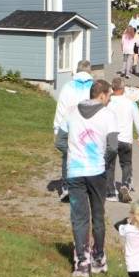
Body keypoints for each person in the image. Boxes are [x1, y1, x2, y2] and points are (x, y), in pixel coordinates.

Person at [60, 79, 119, 277]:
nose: (110, 99)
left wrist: (71, 154)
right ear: (101, 95)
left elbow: (59, 140)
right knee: (98, 215)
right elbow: (112, 147)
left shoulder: (70, 112)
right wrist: (103, 159)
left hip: (75, 171)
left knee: (79, 217)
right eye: (109, 96)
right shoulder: (108, 115)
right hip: (97, 172)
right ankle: (98, 258)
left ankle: (81, 263)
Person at [53, 60, 94, 202]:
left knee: (67, 157)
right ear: (89, 71)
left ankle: (66, 187)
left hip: (69, 127)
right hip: (88, 128)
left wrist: (57, 128)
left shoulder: (68, 87)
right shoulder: (94, 87)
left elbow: (61, 109)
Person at [105, 77, 139, 202]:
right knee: (126, 164)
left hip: (111, 137)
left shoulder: (108, 102)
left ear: (113, 88)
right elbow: (137, 120)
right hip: (126, 138)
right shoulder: (130, 103)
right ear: (123, 89)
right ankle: (125, 186)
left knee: (110, 165)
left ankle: (110, 192)